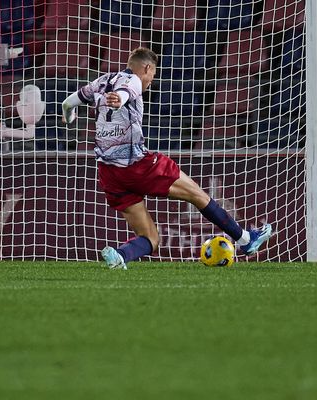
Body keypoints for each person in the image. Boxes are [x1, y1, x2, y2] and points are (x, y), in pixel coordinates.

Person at [61, 47, 273, 269]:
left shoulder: (100, 82)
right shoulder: (132, 79)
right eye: (152, 75)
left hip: (109, 175)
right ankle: (245, 240)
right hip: (137, 165)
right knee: (198, 195)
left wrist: (70, 116)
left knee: (151, 239)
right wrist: (119, 99)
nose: (151, 81)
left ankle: (121, 256)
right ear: (147, 67)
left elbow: (67, 104)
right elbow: (126, 92)